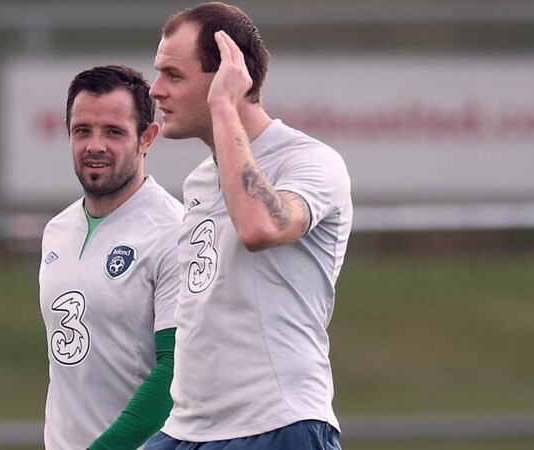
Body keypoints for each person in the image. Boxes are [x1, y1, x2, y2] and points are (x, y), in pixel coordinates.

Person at [145, 3, 352, 449]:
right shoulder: (200, 181)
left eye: (173, 75)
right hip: (187, 430)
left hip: (277, 426)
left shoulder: (311, 161)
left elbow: (260, 228)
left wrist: (224, 106)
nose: (156, 90)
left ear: (229, 77)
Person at [39, 65, 183, 450]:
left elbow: (176, 370)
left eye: (114, 132)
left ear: (147, 138)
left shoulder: (174, 231)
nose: (95, 145)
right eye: (82, 131)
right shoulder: (57, 230)